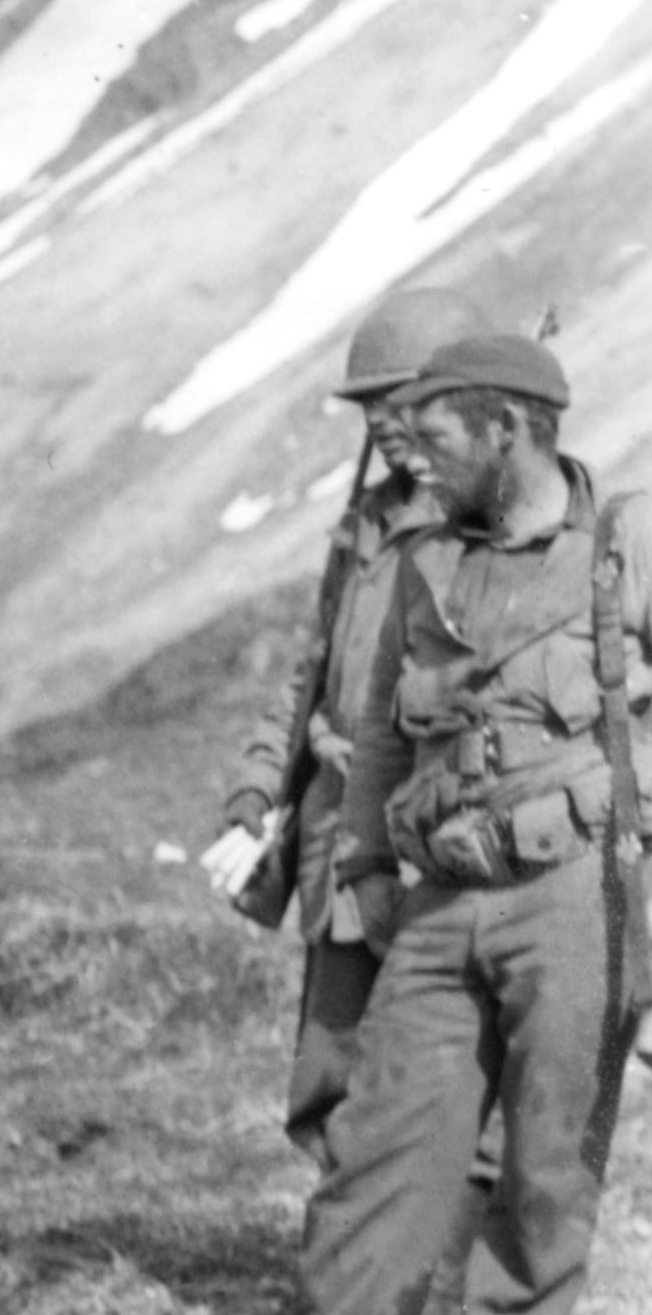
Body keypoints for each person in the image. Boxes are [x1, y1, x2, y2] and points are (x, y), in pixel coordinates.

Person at [268, 321, 633, 1315]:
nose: (408, 456)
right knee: (380, 1153)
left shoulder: (628, 549)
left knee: (546, 1161)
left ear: (508, 428)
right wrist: (369, 871)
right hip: (434, 904)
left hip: (576, 902)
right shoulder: (423, 561)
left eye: (432, 435)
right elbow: (380, 734)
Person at [209, 292, 481, 1183]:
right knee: (326, 1090)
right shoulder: (362, 525)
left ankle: (423, 1284)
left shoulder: (484, 531)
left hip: (423, 854)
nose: (380, 422)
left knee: (432, 1086)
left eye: (396, 399)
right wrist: (258, 790)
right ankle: (347, 1278)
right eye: (368, 406)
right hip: (336, 852)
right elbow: (309, 670)